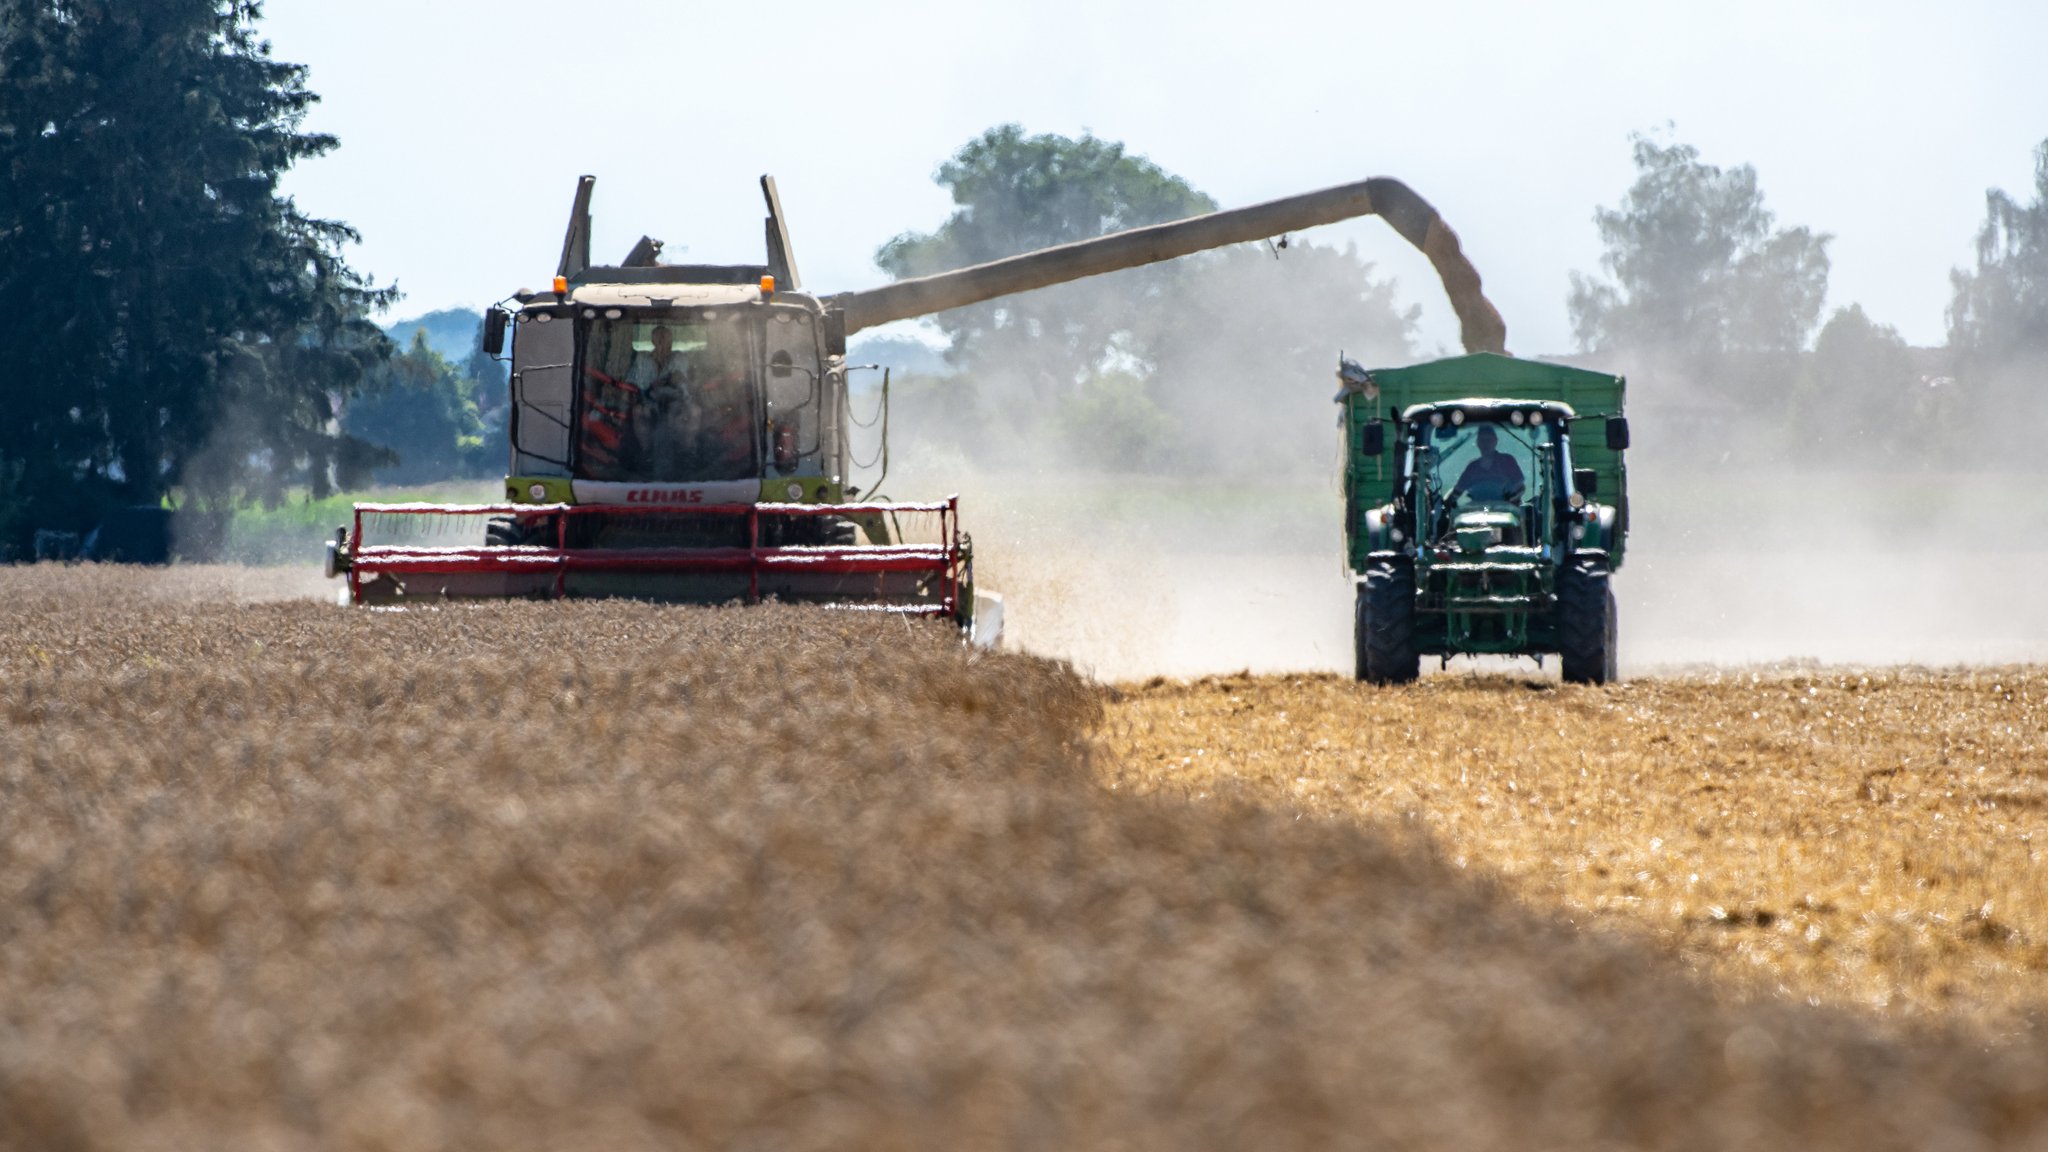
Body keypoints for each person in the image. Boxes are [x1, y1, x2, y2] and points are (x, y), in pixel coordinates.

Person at [1448, 424, 1525, 502]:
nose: (1485, 444)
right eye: (1482, 440)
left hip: (1506, 509)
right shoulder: (1472, 467)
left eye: (1488, 440)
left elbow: (1521, 488)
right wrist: (1447, 503)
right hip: (1476, 510)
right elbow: (1457, 492)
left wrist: (1509, 499)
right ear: (1477, 443)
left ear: (1495, 441)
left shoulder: (1507, 461)